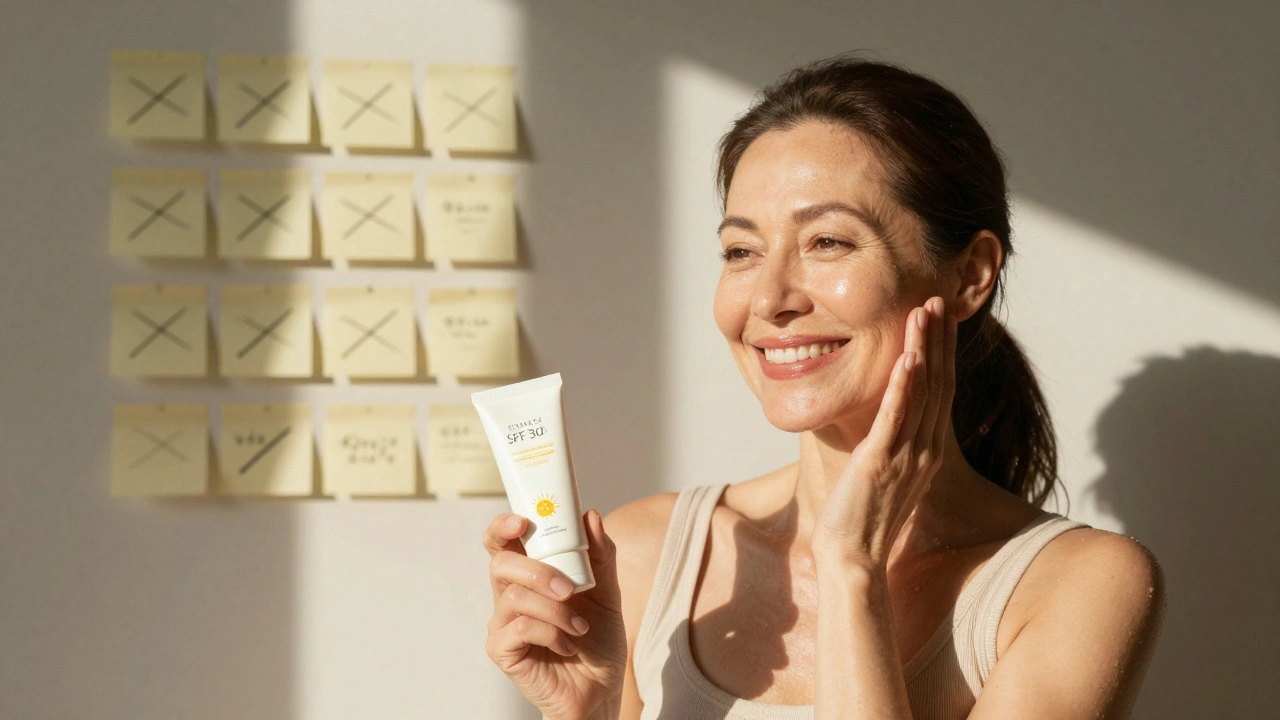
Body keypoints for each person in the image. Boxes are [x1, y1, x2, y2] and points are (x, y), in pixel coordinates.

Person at [481, 54, 1166, 720]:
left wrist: (850, 571)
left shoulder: (1077, 587)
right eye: (742, 252)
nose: (771, 297)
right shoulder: (643, 553)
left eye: (829, 242)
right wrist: (586, 714)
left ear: (970, 276)